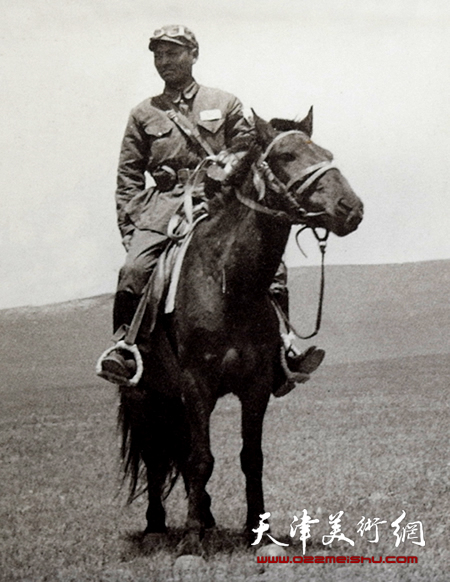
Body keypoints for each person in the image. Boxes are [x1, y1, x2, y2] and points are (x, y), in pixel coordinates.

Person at [99, 24, 324, 389]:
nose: (163, 60)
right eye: (158, 54)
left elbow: (249, 149)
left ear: (193, 54)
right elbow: (128, 177)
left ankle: (284, 350)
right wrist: (132, 230)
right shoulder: (144, 113)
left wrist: (226, 170)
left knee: (273, 269)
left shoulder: (225, 103)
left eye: (172, 53)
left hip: (218, 203)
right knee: (134, 270)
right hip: (164, 210)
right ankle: (126, 349)